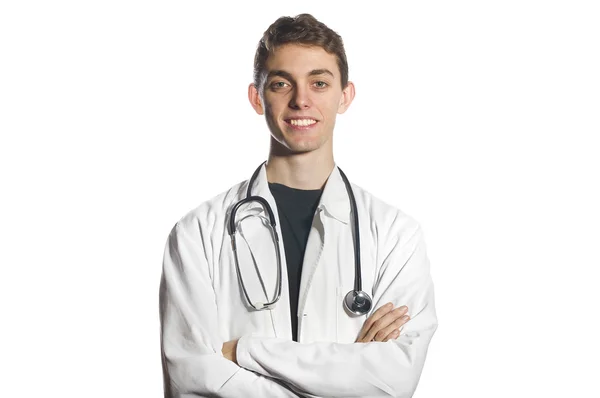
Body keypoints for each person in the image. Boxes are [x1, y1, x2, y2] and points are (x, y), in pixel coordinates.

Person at [159, 13, 437, 398]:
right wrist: (349, 368)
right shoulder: (197, 234)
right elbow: (191, 380)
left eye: (319, 83)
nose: (301, 100)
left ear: (345, 96)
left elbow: (393, 381)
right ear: (258, 97)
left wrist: (244, 351)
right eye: (281, 83)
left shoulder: (395, 236)